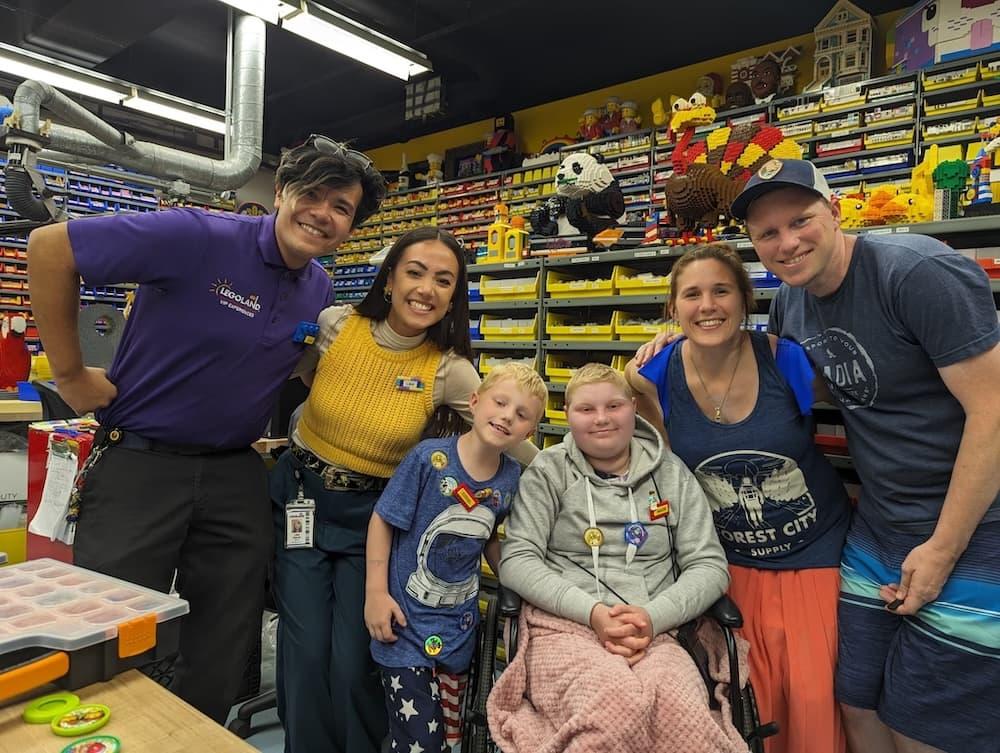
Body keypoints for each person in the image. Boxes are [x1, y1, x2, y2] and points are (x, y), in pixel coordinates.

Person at [638, 158, 1000, 753]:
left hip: (970, 531)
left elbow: (991, 410)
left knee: (924, 729)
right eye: (767, 233)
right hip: (877, 530)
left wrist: (943, 546)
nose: (787, 242)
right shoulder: (793, 305)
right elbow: (803, 388)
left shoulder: (917, 272)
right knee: (854, 706)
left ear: (834, 212)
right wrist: (681, 347)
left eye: (800, 220)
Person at [26, 135, 386, 723]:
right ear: (281, 192)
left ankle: (193, 737)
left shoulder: (318, 287)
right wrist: (68, 375)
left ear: (351, 226)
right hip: (141, 463)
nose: (322, 214)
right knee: (108, 626)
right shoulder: (199, 235)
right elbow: (48, 248)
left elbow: (293, 362)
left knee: (223, 637)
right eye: (312, 195)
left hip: (233, 473)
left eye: (341, 207)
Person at [269, 225, 537, 753]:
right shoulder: (335, 325)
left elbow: (513, 441)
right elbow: (295, 377)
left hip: (375, 520)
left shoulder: (451, 370)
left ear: (454, 297)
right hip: (301, 500)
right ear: (390, 278)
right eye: (415, 272)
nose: (427, 289)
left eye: (444, 280)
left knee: (355, 659)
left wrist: (595, 467)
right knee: (303, 653)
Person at [625, 243, 851, 753]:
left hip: (815, 562)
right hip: (729, 570)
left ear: (745, 300)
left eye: (721, 291)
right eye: (692, 294)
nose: (708, 305)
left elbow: (875, 407)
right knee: (749, 707)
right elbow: (664, 469)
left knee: (816, 706)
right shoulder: (651, 375)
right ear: (674, 309)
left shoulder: (786, 361)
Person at [489, 363, 746, 753]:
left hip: (658, 632)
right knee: (612, 704)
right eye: (586, 409)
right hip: (562, 626)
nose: (602, 419)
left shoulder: (671, 474)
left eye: (613, 406)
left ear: (633, 407)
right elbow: (519, 559)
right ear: (568, 415)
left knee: (683, 713)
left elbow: (709, 565)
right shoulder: (548, 472)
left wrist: (652, 617)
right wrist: (593, 613)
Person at [364, 362, 546, 753]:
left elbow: (490, 537)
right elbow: (382, 520)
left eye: (520, 415)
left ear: (529, 432)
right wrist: (375, 593)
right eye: (500, 402)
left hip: (458, 632)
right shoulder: (429, 459)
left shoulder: (511, 477)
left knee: (451, 738)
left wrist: (526, 582)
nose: (506, 417)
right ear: (475, 402)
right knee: (419, 743)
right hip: (404, 629)